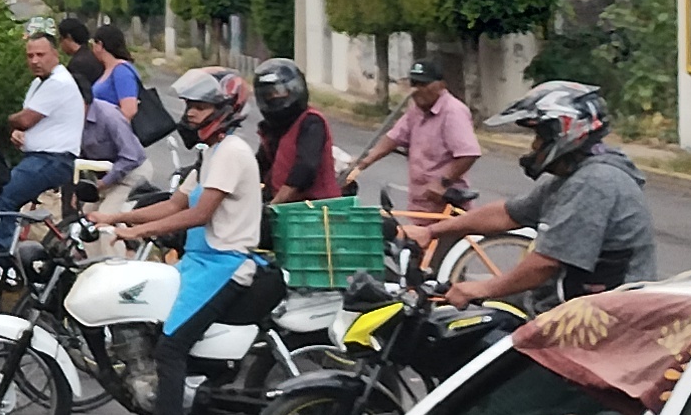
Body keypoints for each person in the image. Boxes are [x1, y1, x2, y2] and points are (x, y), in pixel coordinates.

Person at [94, 66, 276, 415]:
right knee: (159, 337)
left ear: (224, 110)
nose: (190, 114)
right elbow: (174, 203)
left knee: (170, 350)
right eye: (189, 107)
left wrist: (136, 232)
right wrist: (115, 215)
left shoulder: (231, 152)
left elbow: (198, 213)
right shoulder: (210, 153)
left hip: (227, 266)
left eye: (199, 107)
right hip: (199, 263)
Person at [403, 80, 659, 306]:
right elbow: (506, 214)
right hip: (574, 304)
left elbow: (545, 263)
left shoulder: (594, 182)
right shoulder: (574, 176)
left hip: (609, 319)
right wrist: (430, 231)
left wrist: (481, 288)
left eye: (539, 136)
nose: (534, 145)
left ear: (563, 133)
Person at [345, 59, 481, 212]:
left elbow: (469, 153)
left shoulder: (453, 111)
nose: (416, 90)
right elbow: (394, 137)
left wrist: (443, 182)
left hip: (443, 201)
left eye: (424, 85)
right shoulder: (416, 110)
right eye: (414, 84)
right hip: (420, 202)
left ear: (441, 85)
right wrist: (363, 162)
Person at [0, 31, 87, 239]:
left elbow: (25, 119)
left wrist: (12, 121)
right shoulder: (40, 82)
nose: (35, 61)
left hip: (52, 159)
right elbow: (27, 124)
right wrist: (19, 133)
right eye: (30, 56)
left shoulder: (59, 82)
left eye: (40, 54)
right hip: (40, 158)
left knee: (3, 197)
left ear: (55, 54)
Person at [252, 57, 341, 203]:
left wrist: (275, 204)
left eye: (280, 92)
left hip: (314, 209)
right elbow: (259, 167)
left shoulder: (312, 122)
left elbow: (305, 168)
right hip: (284, 206)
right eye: (268, 94)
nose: (274, 97)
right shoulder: (272, 129)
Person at [89, 22, 146, 130]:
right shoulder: (109, 69)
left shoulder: (121, 71)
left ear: (100, 45)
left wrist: (110, 130)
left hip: (114, 136)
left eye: (93, 44)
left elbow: (129, 110)